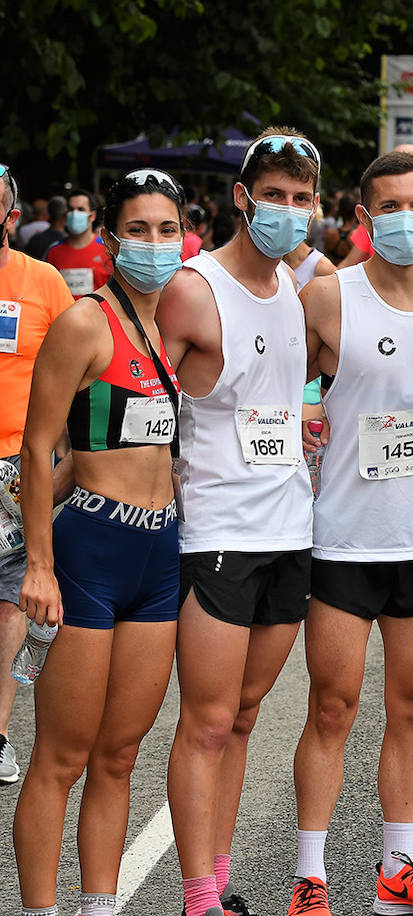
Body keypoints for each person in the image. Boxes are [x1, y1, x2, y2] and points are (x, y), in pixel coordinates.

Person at [290, 150, 413, 916]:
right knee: (332, 708)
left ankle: (396, 874)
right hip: (343, 538)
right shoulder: (328, 297)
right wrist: (306, 414)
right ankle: (310, 877)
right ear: (364, 218)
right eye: (389, 208)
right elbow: (287, 387)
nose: (407, 219)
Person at [157, 129, 321, 916]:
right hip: (218, 531)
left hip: (291, 528)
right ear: (243, 198)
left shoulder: (295, 287)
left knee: (246, 717)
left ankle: (219, 886)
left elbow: (282, 395)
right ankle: (195, 898)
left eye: (302, 198)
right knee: (209, 721)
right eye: (275, 196)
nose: (288, 212)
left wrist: (303, 425)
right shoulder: (194, 287)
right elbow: (135, 397)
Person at [13, 169, 184, 916]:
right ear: (111, 237)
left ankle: (100, 906)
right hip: (89, 555)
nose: (154, 244)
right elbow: (36, 449)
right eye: (139, 230)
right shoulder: (86, 322)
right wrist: (41, 566)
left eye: (167, 230)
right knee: (62, 757)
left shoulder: (174, 326)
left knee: (119, 757)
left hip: (159, 556)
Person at [0, 163, 74, 789]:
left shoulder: (43, 283)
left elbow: (77, 372)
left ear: (12, 216)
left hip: (18, 467)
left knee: (8, 604)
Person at [338, 144, 413, 269]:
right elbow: (350, 262)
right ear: (364, 217)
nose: (405, 216)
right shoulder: (375, 219)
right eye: (390, 206)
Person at [45, 190, 112, 296]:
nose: (75, 214)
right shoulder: (53, 251)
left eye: (81, 209)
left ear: (92, 215)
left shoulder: (108, 250)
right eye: (71, 209)